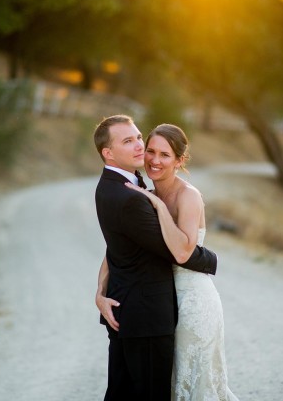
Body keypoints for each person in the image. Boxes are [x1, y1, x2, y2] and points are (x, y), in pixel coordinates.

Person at [93, 115, 218, 401]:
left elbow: (131, 245)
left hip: (186, 302)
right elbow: (173, 251)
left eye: (139, 138)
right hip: (148, 313)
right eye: (137, 144)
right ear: (108, 153)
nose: (143, 150)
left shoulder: (142, 191)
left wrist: (160, 208)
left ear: (179, 160)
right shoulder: (135, 195)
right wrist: (211, 260)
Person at [125, 124, 239, 401]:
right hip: (162, 302)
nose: (154, 160)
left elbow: (183, 253)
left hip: (194, 303)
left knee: (196, 387)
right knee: (171, 384)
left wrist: (160, 207)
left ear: (179, 160)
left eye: (165, 154)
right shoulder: (147, 192)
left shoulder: (189, 196)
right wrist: (100, 288)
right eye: (150, 151)